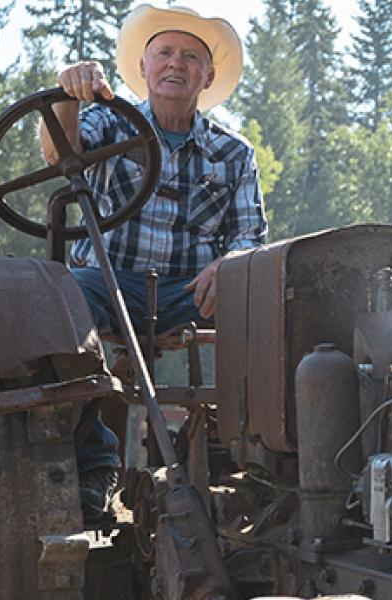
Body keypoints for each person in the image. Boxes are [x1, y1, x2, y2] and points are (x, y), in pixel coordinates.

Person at [41, 4, 265, 521]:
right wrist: (68, 95)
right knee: (60, 306)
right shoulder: (107, 120)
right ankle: (95, 462)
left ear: (207, 76)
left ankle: (243, 457)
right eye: (164, 52)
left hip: (192, 292)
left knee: (270, 308)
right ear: (143, 67)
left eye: (191, 56)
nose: (175, 64)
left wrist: (231, 263)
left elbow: (251, 234)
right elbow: (60, 151)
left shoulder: (233, 154)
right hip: (106, 280)